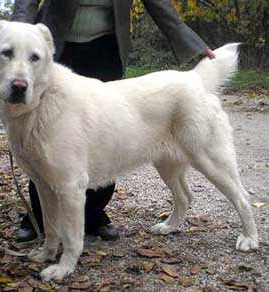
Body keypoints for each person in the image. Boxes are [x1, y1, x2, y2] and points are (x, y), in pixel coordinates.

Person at [12, 0, 215, 242]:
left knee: (106, 131)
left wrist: (191, 42)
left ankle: (94, 215)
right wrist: (16, 37)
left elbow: (157, 3)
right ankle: (40, 218)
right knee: (47, 136)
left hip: (105, 46)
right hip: (53, 46)